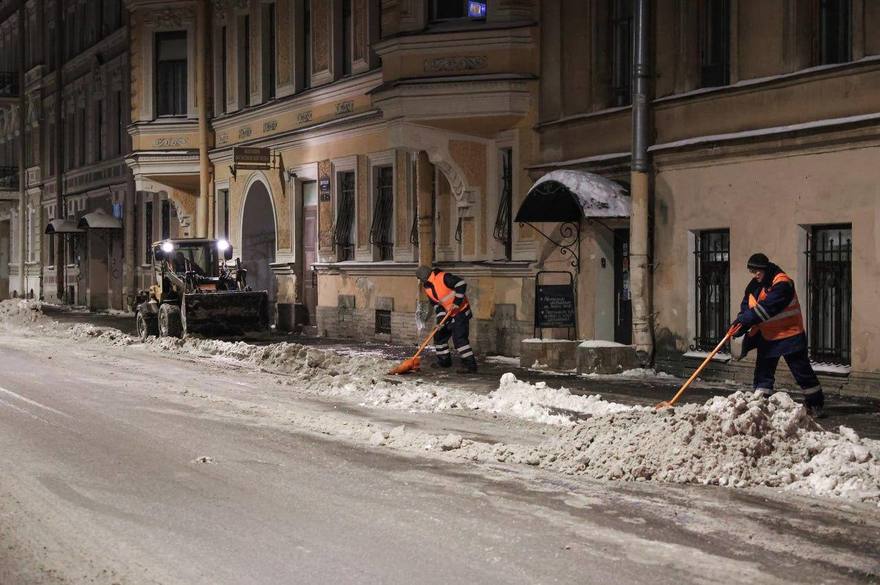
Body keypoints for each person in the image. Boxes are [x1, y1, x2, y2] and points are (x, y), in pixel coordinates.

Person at [732, 253, 825, 417]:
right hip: (769, 336)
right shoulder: (755, 285)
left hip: (790, 334)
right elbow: (747, 305)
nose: (755, 275)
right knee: (763, 373)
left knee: (802, 372)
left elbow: (767, 308)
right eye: (752, 272)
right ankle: (760, 405)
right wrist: (739, 323)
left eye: (758, 271)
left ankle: (815, 404)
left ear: (765, 269)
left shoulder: (783, 283)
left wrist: (746, 320)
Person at [416, 265, 477, 373]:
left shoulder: (443, 277)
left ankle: (470, 366)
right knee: (439, 335)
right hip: (448, 313)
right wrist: (440, 322)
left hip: (460, 312)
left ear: (424, 276)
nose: (420, 281)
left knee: (459, 339)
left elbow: (461, 283)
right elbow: (437, 305)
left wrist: (457, 303)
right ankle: (444, 361)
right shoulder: (427, 287)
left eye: (420, 279)